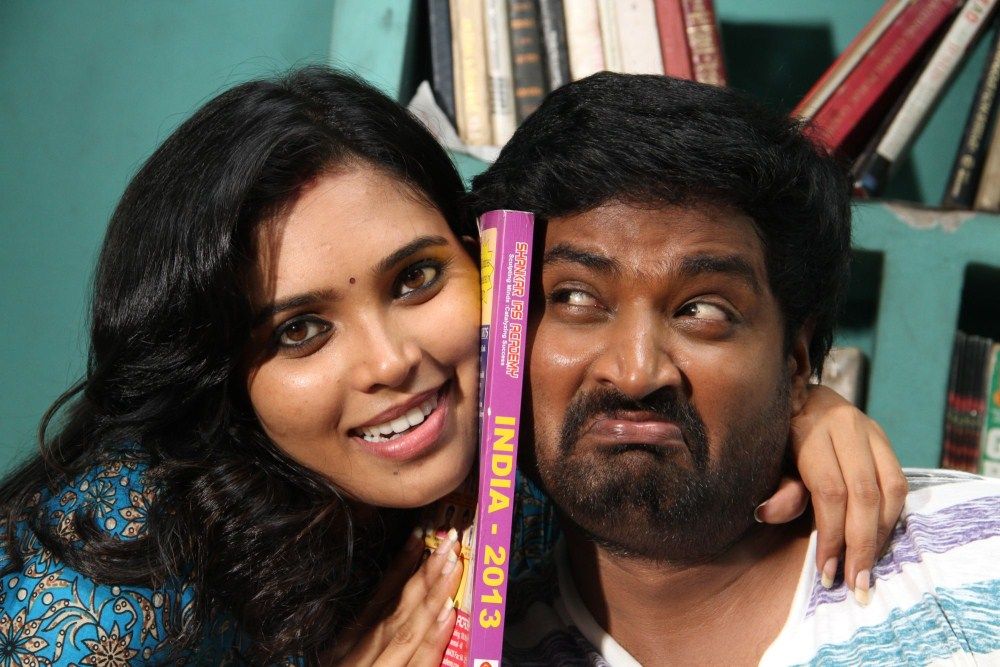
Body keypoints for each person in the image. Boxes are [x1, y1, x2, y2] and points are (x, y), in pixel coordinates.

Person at [0, 66, 904, 665]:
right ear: (223, 375)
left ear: (493, 263)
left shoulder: (522, 469)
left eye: (416, 278)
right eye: (301, 331)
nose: (392, 360)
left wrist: (801, 407)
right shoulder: (105, 569)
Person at [470, 72, 1000, 666]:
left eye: (703, 310)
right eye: (575, 297)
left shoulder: (982, 562)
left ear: (797, 364)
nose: (636, 373)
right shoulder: (462, 634)